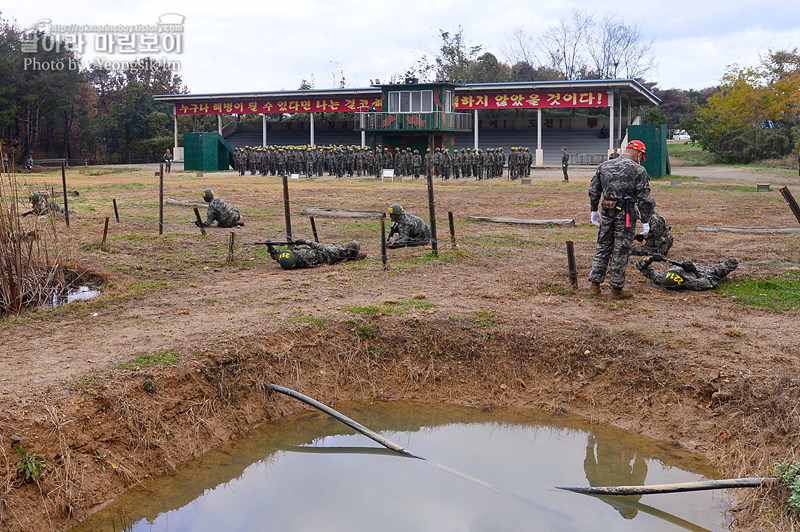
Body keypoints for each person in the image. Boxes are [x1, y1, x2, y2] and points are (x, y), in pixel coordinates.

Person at [588, 140, 656, 299]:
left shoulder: (604, 166)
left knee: (603, 246)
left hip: (607, 211)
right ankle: (616, 288)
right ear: (639, 154)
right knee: (621, 249)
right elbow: (645, 199)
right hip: (625, 215)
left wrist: (594, 210)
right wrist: (646, 221)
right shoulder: (638, 170)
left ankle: (595, 285)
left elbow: (593, 190)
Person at [584, 433, 648, 519]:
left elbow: (640, 472)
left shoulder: (634, 496)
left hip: (621, 449)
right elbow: (589, 469)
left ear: (635, 509)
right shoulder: (601, 495)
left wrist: (639, 453)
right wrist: (590, 446)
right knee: (604, 429)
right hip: (605, 448)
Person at [635, 255, 739, 291]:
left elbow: (640, 265)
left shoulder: (661, 279)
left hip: (694, 267)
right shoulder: (692, 283)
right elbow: (711, 282)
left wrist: (650, 259)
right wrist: (694, 271)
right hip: (706, 272)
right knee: (733, 261)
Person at [267, 238, 366, 269]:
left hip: (327, 252)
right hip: (329, 255)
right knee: (355, 244)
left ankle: (352, 256)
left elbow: (276, 254)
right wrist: (306, 241)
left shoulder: (286, 261)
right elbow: (321, 248)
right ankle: (353, 256)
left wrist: (270, 246)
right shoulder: (308, 257)